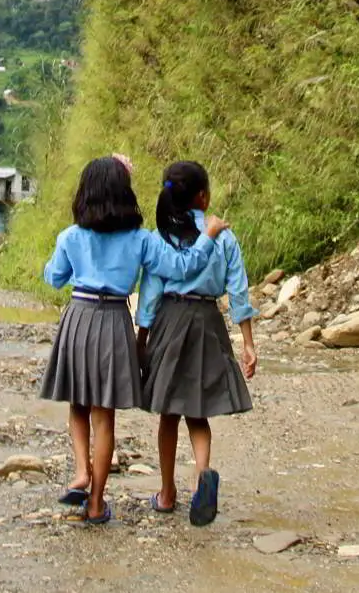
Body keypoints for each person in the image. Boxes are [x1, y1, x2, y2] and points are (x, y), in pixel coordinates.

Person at [39, 156, 229, 526]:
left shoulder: (71, 236)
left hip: (78, 317)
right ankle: (95, 503)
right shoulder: (141, 240)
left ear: (85, 195)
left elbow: (55, 278)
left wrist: (63, 256)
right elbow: (182, 267)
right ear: (126, 195)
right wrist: (207, 238)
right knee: (103, 415)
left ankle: (81, 471)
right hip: (113, 321)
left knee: (78, 403)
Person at [136, 161, 256, 527]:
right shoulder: (222, 234)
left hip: (170, 320)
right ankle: (203, 474)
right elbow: (238, 289)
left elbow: (151, 293)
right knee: (198, 411)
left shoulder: (162, 236)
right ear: (203, 196)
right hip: (207, 322)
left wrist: (143, 337)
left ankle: (167, 493)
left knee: (169, 414)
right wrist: (248, 343)